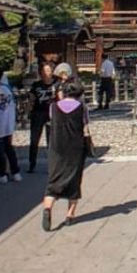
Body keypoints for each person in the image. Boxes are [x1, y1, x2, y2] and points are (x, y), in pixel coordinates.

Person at [42, 79, 91, 231]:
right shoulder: (82, 108)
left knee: (54, 180)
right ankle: (70, 215)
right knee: (74, 180)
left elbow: (52, 121)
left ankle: (47, 208)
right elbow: (86, 127)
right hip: (75, 147)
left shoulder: (53, 107)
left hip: (57, 146)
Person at [0, 66, 21, 184]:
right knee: (9, 148)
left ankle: (2, 174)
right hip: (9, 121)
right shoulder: (7, 88)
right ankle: (15, 172)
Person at [27, 63, 56, 174]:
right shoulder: (36, 85)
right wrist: (27, 112)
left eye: (48, 71)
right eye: (44, 71)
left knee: (51, 141)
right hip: (37, 113)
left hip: (51, 113)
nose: (46, 73)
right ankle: (32, 164)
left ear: (52, 72)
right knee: (34, 139)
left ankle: (52, 165)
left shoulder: (56, 84)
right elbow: (31, 99)